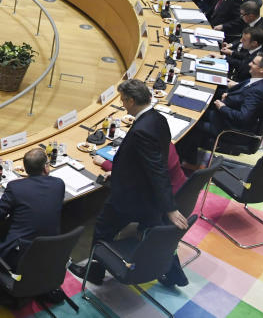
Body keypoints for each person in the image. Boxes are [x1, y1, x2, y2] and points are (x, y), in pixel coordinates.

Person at [69, 80, 189, 288]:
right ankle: (173, 273)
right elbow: (143, 163)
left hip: (130, 198)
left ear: (132, 100)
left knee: (103, 230)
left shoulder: (142, 129)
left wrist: (170, 208)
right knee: (156, 231)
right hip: (148, 196)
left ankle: (95, 272)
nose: (123, 104)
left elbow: (156, 169)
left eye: (124, 100)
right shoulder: (158, 118)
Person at [176, 53, 263, 166]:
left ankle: (181, 159)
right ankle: (188, 156)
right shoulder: (258, 80)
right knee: (194, 110)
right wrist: (228, 95)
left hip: (231, 129)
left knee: (191, 125)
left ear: (262, 69)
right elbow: (243, 93)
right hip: (225, 117)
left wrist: (223, 108)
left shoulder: (258, 91)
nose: (249, 64)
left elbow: (243, 117)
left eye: (253, 63)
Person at [0, 148, 64, 266]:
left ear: (25, 169)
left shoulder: (15, 187)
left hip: (20, 253)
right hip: (49, 248)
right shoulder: (59, 184)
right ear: (46, 167)